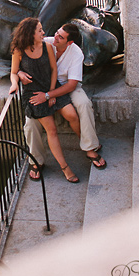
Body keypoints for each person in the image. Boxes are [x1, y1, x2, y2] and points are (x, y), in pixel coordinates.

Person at [22, 23, 107, 178]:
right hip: (45, 85)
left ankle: (89, 147)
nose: (56, 37)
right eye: (56, 32)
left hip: (68, 86)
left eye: (60, 37)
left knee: (84, 104)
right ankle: (37, 160)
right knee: (30, 122)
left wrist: (50, 95)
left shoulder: (76, 53)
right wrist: (20, 73)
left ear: (69, 42)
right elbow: (21, 55)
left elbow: (72, 84)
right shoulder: (47, 42)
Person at [9, 17, 80, 183]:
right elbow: (13, 71)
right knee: (52, 130)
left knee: (71, 114)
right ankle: (65, 167)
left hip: (51, 88)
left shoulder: (47, 46)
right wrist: (15, 82)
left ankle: (87, 146)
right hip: (34, 95)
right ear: (30, 33)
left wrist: (51, 93)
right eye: (40, 30)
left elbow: (54, 69)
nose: (44, 32)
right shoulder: (19, 50)